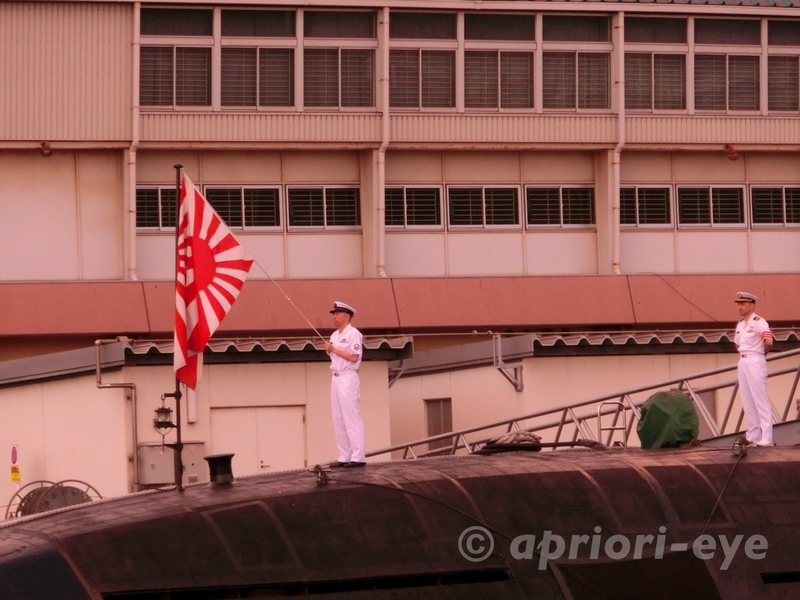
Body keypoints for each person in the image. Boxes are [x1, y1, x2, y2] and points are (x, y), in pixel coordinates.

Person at [325, 301, 366, 468]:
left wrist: (334, 350)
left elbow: (354, 357)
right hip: (335, 377)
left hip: (348, 377)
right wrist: (331, 349)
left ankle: (358, 456)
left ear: (347, 316)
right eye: (334, 314)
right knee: (338, 418)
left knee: (351, 417)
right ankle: (344, 455)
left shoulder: (353, 333)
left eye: (337, 314)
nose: (334, 317)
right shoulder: (335, 335)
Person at [734, 292, 775, 447]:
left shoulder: (759, 322)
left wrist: (762, 353)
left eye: (743, 304)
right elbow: (738, 344)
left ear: (752, 305)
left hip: (755, 359)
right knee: (747, 399)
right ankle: (753, 434)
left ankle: (766, 436)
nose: (740, 307)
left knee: (760, 398)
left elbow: (769, 341)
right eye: (738, 304)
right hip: (743, 361)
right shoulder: (740, 324)